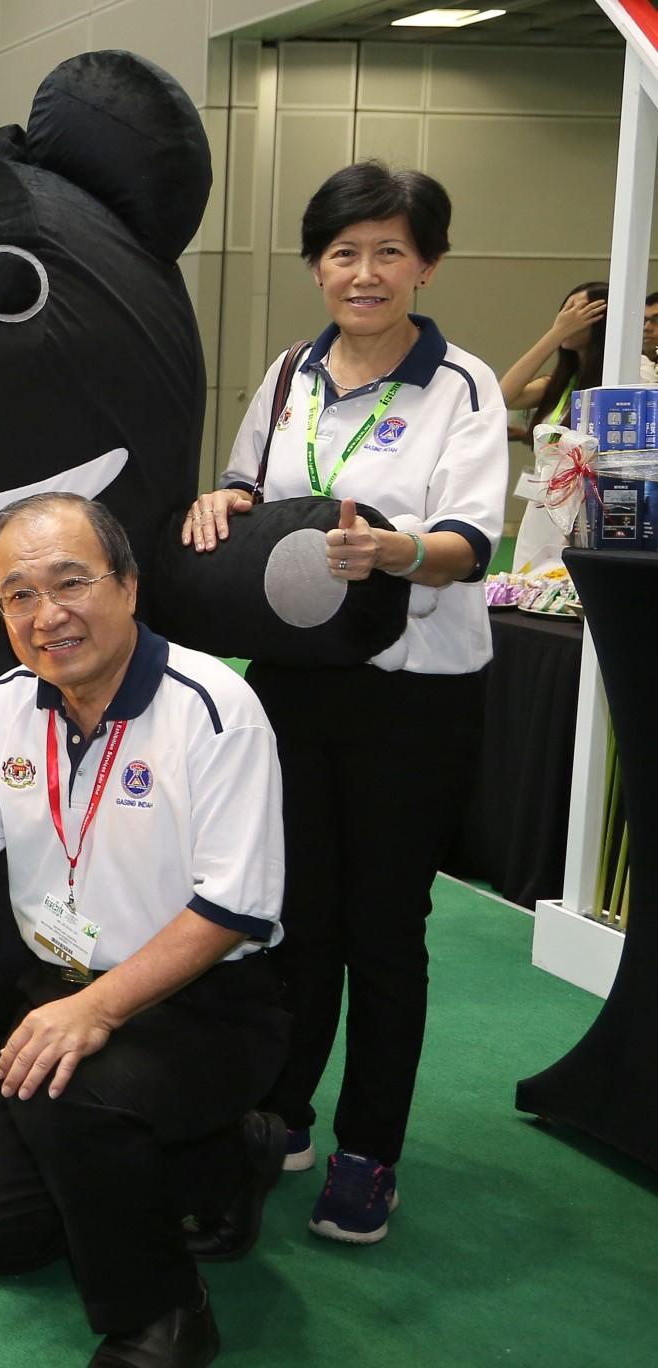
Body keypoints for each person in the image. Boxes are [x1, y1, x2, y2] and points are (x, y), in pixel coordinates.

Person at [0, 493, 288, 1368]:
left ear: (127, 584)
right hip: (65, 988)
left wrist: (101, 1010)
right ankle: (218, 1160)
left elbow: (235, 910)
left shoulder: (214, 707)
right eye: (18, 595)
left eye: (71, 581)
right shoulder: (10, 704)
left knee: (73, 1093)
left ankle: (164, 1318)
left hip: (207, 1001)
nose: (49, 615)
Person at [182, 161, 505, 1245]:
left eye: (389, 251)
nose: (363, 273)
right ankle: (286, 1111)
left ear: (427, 263)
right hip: (292, 690)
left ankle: (371, 1152)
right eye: (342, 252)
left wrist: (393, 549)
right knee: (294, 917)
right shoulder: (286, 378)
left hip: (415, 699)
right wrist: (221, 500)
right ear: (317, 263)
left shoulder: (464, 386)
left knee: (385, 931)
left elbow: (471, 546)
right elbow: (251, 493)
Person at [496, 280, 604, 438]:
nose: (566, 319)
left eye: (577, 311)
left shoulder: (622, 375)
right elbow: (503, 396)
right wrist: (556, 334)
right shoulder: (561, 383)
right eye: (564, 311)